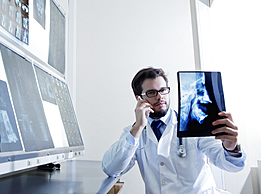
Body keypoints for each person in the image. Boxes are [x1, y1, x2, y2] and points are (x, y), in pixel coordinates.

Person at [102, 67, 246, 193]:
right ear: (139, 98)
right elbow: (111, 169)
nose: (160, 97)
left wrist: (231, 148)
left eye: (163, 90)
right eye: (152, 92)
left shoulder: (193, 124)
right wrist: (137, 128)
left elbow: (231, 166)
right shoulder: (135, 133)